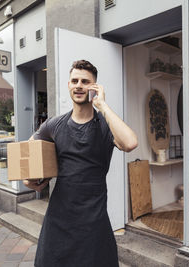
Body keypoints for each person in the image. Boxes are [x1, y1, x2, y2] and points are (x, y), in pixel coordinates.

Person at [24, 59, 138, 267]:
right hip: (59, 218)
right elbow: (29, 150)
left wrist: (102, 105)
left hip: (93, 220)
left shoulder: (106, 125)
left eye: (85, 82)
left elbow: (130, 142)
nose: (78, 85)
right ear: (68, 85)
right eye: (74, 80)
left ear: (94, 87)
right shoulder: (54, 125)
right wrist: (28, 179)